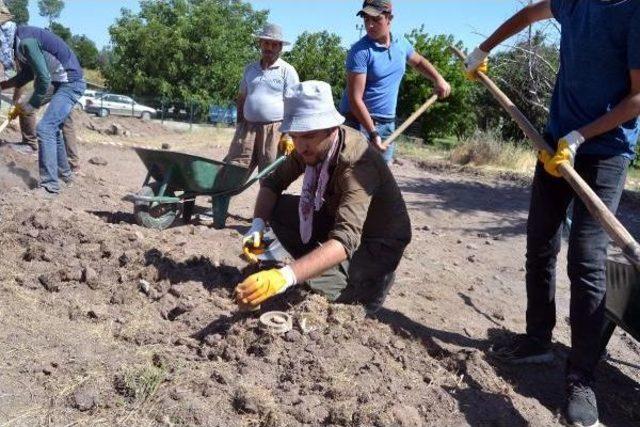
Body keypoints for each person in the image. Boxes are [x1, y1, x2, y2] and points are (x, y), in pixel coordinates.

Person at [465, 1, 640, 426]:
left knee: (587, 260)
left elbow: (637, 99)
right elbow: (528, 15)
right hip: (555, 141)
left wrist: (582, 135)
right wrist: (484, 49)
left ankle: (581, 377)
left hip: (605, 152)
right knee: (540, 240)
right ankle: (537, 339)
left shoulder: (634, 12)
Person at [235, 80, 411, 313]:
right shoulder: (309, 146)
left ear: (331, 128)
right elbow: (272, 183)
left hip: (378, 241)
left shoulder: (358, 164)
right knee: (279, 209)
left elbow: (345, 237)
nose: (300, 145)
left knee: (312, 290)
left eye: (307, 135)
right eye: (295, 136)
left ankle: (373, 282)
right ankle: (319, 265)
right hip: (335, 218)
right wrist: (256, 226)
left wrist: (284, 276)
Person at [339, 0, 451, 164]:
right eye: (366, 19)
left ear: (389, 19)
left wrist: (438, 79)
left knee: (381, 180)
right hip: (358, 124)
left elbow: (418, 61)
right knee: (353, 178)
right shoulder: (360, 52)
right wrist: (372, 133)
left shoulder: (401, 43)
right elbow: (355, 99)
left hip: (387, 125)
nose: (369, 25)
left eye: (376, 19)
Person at [0, 24, 86, 196]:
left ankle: (50, 186)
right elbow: (27, 75)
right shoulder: (20, 42)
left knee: (45, 127)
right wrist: (2, 86)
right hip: (59, 81)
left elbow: (44, 78)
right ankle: (64, 174)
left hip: (70, 82)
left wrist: (33, 103)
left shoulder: (26, 42)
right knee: (50, 127)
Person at [224, 22, 300, 175]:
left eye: (274, 44)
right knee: (234, 169)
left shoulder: (287, 71)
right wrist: (240, 124)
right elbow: (242, 97)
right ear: (260, 44)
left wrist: (288, 134)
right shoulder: (250, 69)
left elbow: (295, 104)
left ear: (280, 47)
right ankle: (222, 198)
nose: (269, 48)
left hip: (274, 130)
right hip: (248, 128)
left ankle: (268, 199)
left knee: (270, 175)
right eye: (266, 43)